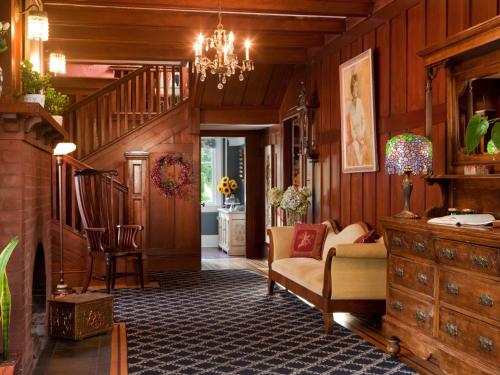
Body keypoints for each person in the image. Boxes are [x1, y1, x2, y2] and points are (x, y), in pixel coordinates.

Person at [346, 73, 368, 166]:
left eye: (357, 86)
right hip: (355, 137)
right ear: (351, 88)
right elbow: (350, 124)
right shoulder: (350, 105)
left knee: (363, 150)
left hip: (361, 135)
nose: (356, 89)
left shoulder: (360, 102)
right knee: (354, 147)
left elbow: (364, 120)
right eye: (354, 87)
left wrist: (361, 134)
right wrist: (355, 137)